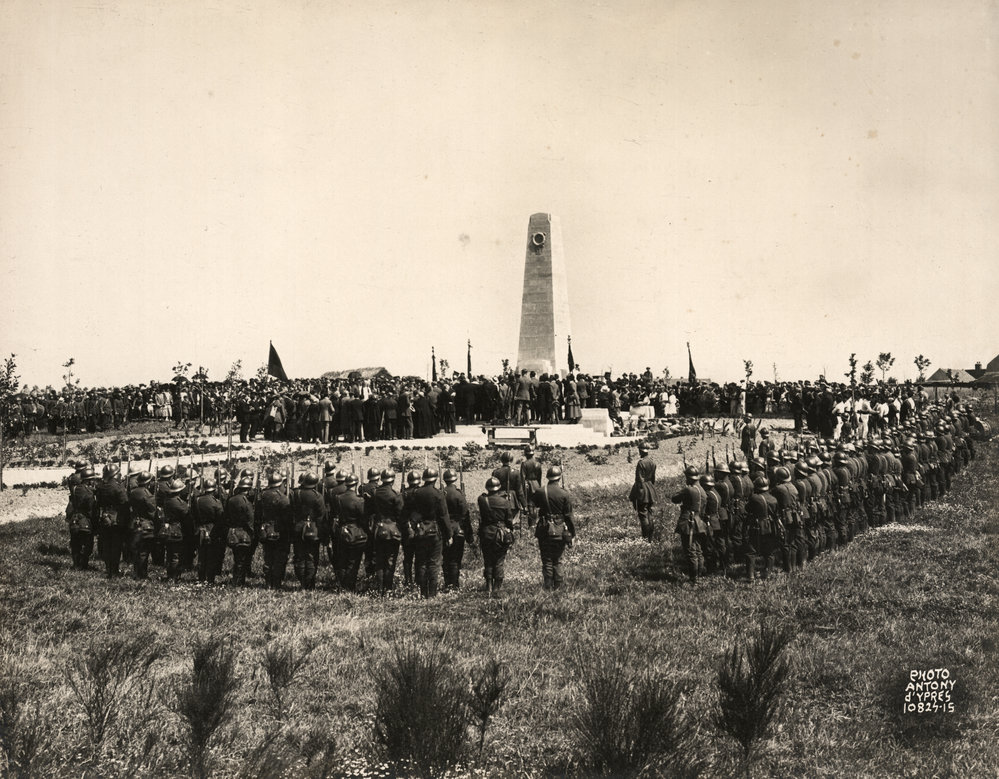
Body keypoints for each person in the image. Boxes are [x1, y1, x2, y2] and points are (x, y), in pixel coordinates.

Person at [532, 466, 575, 590]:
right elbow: (569, 516)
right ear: (559, 478)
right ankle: (558, 586)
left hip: (544, 529)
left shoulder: (540, 491)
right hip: (560, 530)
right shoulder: (564, 493)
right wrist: (573, 534)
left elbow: (531, 506)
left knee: (547, 560)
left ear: (548, 478)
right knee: (557, 560)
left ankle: (548, 586)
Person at [410, 468, 450, 598]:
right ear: (435, 479)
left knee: (421, 562)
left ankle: (423, 593)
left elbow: (411, 512)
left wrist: (415, 525)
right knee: (433, 563)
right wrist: (448, 534)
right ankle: (432, 594)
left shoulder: (416, 493)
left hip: (420, 531)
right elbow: (444, 516)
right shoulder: (438, 494)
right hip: (434, 532)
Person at [367, 469, 404, 593]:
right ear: (392, 480)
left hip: (378, 529)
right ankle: (388, 588)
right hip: (392, 530)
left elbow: (371, 510)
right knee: (390, 560)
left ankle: (379, 588)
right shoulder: (395, 495)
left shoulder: (375, 492)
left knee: (379, 559)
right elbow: (400, 515)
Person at [477, 477, 514, 595]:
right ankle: (497, 587)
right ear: (498, 488)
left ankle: (488, 586)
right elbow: (509, 520)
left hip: (486, 533)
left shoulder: (482, 500)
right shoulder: (505, 502)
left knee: (488, 560)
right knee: (499, 560)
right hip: (500, 534)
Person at [291, 471, 327, 590]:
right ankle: (309, 584)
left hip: (298, 528)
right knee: (311, 557)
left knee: (300, 556)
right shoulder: (317, 496)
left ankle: (302, 583)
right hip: (313, 529)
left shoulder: (295, 493)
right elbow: (321, 516)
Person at [256, 472, 292, 589]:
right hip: (279, 531)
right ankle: (276, 583)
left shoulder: (262, 495)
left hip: (265, 530)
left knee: (268, 557)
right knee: (279, 558)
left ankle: (268, 582)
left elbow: (258, 514)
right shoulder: (282, 498)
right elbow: (287, 518)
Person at [672, 465, 707, 584]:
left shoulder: (689, 489)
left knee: (690, 551)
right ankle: (700, 575)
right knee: (698, 550)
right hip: (698, 521)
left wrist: (683, 489)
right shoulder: (702, 490)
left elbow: (674, 498)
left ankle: (694, 579)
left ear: (689, 477)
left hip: (689, 522)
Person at [95, 464, 130, 579]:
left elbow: (98, 502)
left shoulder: (100, 486)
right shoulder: (118, 487)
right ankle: (114, 570)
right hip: (116, 518)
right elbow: (124, 503)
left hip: (104, 517)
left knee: (106, 544)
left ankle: (108, 568)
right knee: (116, 545)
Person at [442, 469, 474, 591]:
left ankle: (447, 584)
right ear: (455, 479)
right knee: (455, 559)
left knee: (445, 558)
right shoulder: (459, 494)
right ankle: (454, 585)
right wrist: (469, 534)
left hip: (445, 529)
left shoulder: (441, 493)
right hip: (457, 529)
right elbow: (466, 515)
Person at [334, 474, 367, 591]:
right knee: (353, 561)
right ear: (356, 484)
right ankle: (350, 586)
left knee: (342, 560)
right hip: (356, 532)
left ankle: (342, 585)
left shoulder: (338, 498)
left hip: (342, 532)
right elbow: (363, 518)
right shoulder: (359, 500)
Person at [224, 477, 255, 586]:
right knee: (241, 560)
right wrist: (253, 533)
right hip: (243, 534)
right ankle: (238, 582)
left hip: (233, 532)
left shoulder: (231, 499)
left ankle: (236, 580)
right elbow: (250, 519)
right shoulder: (246, 502)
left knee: (237, 558)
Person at [193, 477, 225, 584]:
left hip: (200, 529)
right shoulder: (216, 502)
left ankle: (201, 577)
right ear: (214, 489)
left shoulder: (197, 500)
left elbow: (193, 515)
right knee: (211, 555)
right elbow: (220, 519)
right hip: (212, 530)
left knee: (201, 555)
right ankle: (209, 579)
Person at [159, 478, 191, 582]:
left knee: (169, 554)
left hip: (168, 530)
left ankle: (170, 575)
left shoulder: (167, 500)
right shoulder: (179, 503)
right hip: (177, 530)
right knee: (176, 555)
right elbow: (186, 515)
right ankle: (174, 576)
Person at [67, 467, 98, 570]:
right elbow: (91, 510)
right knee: (87, 545)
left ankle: (76, 565)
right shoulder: (89, 493)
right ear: (89, 480)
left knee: (75, 544)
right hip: (85, 521)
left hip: (74, 520)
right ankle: (84, 565)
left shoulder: (76, 489)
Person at [128, 471, 158, 579]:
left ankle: (136, 573)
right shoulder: (148, 495)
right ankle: (142, 574)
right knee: (144, 552)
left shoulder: (133, 492)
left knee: (136, 551)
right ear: (148, 483)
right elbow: (152, 512)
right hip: (146, 525)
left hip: (134, 524)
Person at [628, 443, 657, 541]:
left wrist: (638, 495)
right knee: (650, 513)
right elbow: (653, 478)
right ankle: (651, 537)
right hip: (650, 489)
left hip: (642, 490)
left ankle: (646, 538)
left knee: (643, 514)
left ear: (641, 451)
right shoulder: (652, 462)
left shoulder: (641, 463)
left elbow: (639, 480)